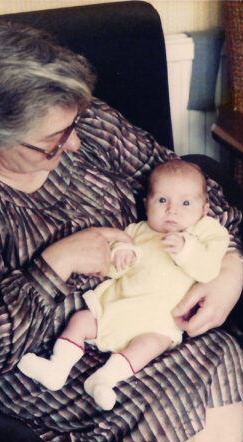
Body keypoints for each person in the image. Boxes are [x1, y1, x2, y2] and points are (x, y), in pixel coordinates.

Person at [0, 19, 243, 442]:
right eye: (53, 141)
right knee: (150, 400)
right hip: (44, 354)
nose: (73, 142)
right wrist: (59, 261)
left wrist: (230, 267)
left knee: (219, 356)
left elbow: (194, 191)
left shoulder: (81, 121)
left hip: (146, 314)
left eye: (71, 125)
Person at [18, 159, 230, 411]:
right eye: (162, 200)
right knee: (81, 320)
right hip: (116, 308)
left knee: (150, 347)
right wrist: (119, 256)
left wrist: (186, 250)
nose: (172, 211)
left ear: (204, 210)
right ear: (146, 204)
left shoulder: (207, 233)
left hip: (157, 323)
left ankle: (104, 380)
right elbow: (111, 268)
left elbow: (208, 270)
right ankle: (57, 367)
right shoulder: (137, 231)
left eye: (186, 203)